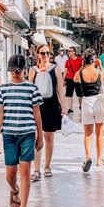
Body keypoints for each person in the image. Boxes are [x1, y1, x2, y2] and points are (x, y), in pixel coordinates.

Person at [0, 54, 43, 207]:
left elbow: (37, 113)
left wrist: (40, 135)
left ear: (24, 70)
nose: (15, 73)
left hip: (27, 133)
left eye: (18, 70)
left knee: (25, 171)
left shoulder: (32, 89)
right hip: (8, 135)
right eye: (12, 70)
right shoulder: (2, 89)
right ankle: (14, 190)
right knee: (10, 174)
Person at [28, 43, 65, 180]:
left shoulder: (56, 68)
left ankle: (47, 166)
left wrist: (64, 107)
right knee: (37, 137)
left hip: (52, 106)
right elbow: (29, 89)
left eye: (48, 53)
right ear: (38, 55)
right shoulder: (32, 70)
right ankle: (36, 169)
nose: (45, 56)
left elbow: (60, 89)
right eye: (42, 53)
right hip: (37, 107)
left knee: (49, 137)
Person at [74, 49, 104, 172]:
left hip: (86, 102)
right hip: (98, 101)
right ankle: (99, 159)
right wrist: (100, 66)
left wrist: (82, 67)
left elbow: (74, 79)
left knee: (88, 133)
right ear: (94, 59)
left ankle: (88, 156)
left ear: (84, 59)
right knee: (99, 132)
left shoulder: (81, 72)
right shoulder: (98, 71)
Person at [64, 46, 83, 114]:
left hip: (77, 79)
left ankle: (81, 106)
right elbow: (66, 71)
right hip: (69, 79)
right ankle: (70, 108)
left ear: (74, 52)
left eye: (70, 51)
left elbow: (82, 69)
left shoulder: (80, 60)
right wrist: (64, 79)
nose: (69, 52)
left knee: (80, 94)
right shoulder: (67, 61)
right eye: (68, 51)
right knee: (69, 94)